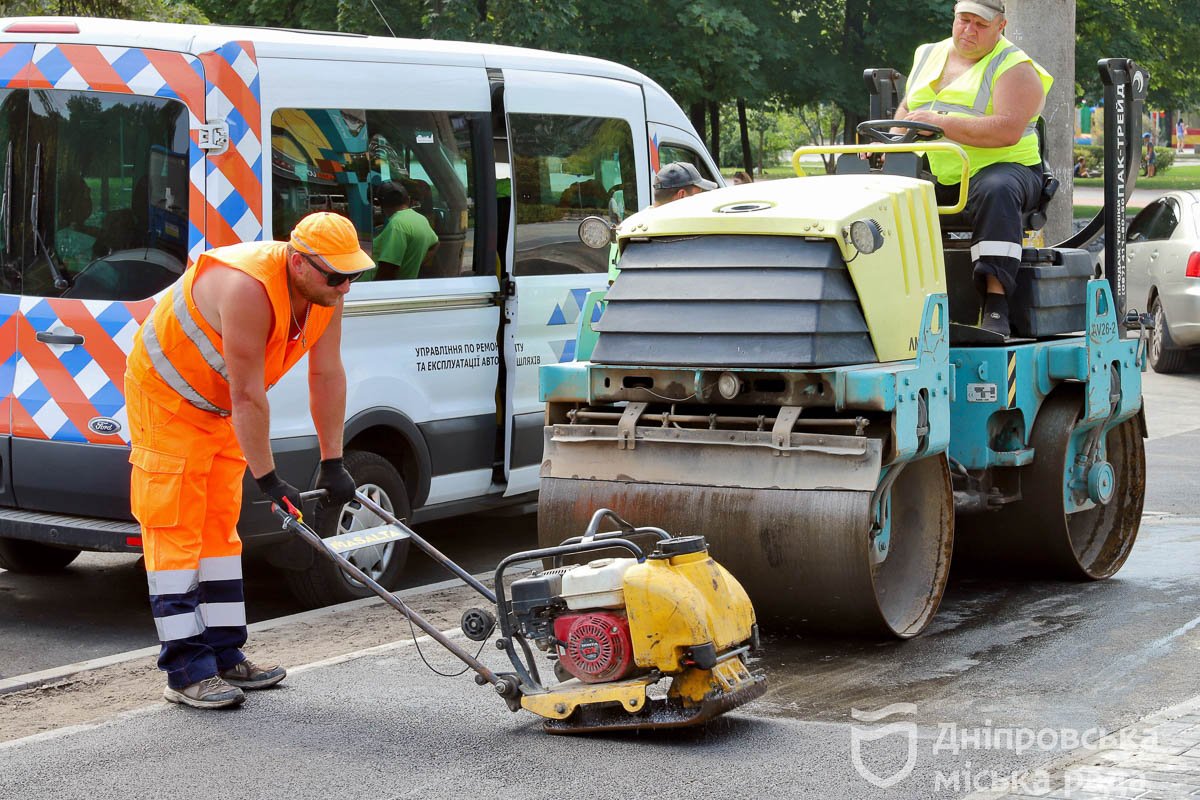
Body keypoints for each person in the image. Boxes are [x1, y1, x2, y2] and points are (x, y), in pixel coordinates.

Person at [124, 212, 370, 709]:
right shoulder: (247, 289)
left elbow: (327, 375)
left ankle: (225, 654)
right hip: (169, 402)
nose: (346, 287)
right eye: (337, 276)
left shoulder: (324, 294)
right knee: (177, 531)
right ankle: (187, 671)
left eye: (354, 276)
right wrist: (269, 480)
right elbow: (248, 396)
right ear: (299, 264)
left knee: (219, 529)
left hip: (218, 407)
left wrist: (333, 461)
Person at [894, 0, 1052, 337]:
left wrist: (940, 123)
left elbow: (1007, 130)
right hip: (941, 170)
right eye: (963, 20)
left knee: (996, 189)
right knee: (884, 191)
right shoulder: (927, 54)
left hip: (1006, 168)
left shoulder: (1015, 67)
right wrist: (887, 144)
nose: (969, 30)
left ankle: (996, 305)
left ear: (1001, 26)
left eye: (980, 24)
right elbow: (908, 107)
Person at [608, 162, 717, 283]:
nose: (700, 201)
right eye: (697, 195)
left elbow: (614, 282)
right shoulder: (685, 229)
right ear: (681, 195)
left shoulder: (626, 228)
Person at [372, 182, 439, 281]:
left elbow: (388, 267)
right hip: (405, 284)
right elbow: (435, 244)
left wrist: (373, 288)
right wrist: (414, 263)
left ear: (381, 204)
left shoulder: (396, 225)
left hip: (389, 289)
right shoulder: (420, 219)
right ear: (408, 199)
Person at [652, 161, 717, 207]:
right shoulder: (680, 225)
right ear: (681, 195)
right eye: (697, 196)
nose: (701, 202)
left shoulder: (644, 218)